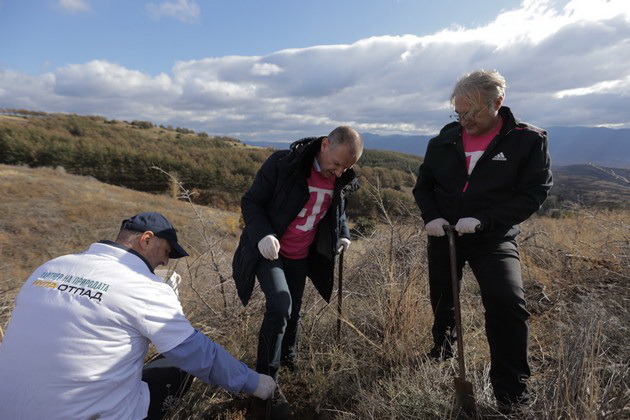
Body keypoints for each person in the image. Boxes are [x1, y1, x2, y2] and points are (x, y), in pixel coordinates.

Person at [0, 212, 276, 420]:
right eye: (166, 252)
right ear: (146, 239)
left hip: (8, 407)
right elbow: (198, 354)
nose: (166, 262)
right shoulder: (143, 287)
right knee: (176, 362)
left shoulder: (51, 266)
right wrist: (256, 383)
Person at [413, 70, 552, 412]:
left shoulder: (527, 140)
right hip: (445, 234)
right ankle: (443, 349)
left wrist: (486, 220)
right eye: (458, 113)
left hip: (493, 237)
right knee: (444, 298)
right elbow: (424, 185)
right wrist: (431, 216)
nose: (464, 120)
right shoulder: (444, 140)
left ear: (497, 104)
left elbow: (535, 192)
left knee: (506, 303)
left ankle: (511, 391)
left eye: (472, 113)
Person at [232, 126, 363, 417]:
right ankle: (265, 381)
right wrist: (263, 234)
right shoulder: (284, 164)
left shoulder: (339, 179)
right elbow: (251, 201)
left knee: (295, 311)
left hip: (301, 255)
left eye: (347, 167)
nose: (340, 172)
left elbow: (337, 208)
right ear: (326, 144)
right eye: (338, 163)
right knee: (280, 306)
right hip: (271, 250)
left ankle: (288, 361)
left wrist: (343, 233)